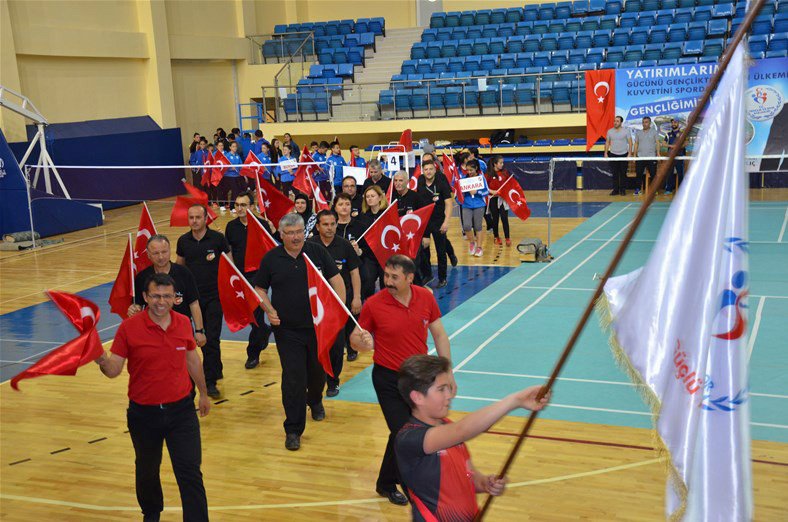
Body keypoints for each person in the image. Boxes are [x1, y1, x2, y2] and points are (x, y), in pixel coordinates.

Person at [96, 273, 211, 522]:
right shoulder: (129, 328)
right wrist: (101, 359)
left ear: (174, 298)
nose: (161, 301)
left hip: (181, 412)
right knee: (147, 470)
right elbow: (114, 370)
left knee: (190, 471)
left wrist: (203, 393)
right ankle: (151, 514)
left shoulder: (182, 323)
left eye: (167, 296)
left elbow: (192, 360)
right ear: (146, 297)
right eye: (156, 296)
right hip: (143, 415)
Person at [349, 255, 454, 506]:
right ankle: (412, 487)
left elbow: (439, 335)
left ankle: (385, 482)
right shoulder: (374, 304)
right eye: (386, 275)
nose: (388, 281)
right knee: (402, 432)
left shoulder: (426, 297)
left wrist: (446, 372)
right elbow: (355, 338)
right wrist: (360, 343)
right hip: (387, 379)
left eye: (394, 277)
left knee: (408, 431)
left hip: (418, 378)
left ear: (409, 278)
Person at [395, 355, 550, 521]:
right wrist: (515, 400)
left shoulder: (445, 425)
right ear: (417, 397)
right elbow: (463, 429)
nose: (449, 395)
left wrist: (484, 483)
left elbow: (464, 474)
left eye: (449, 387)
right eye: (441, 389)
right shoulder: (410, 439)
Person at [253, 213, 345, 451]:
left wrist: (339, 311)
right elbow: (259, 288)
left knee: (316, 372)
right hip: (287, 330)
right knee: (293, 378)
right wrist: (269, 309)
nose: (295, 237)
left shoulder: (316, 252)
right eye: (290, 233)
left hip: (318, 328)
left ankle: (315, 400)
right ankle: (293, 429)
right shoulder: (271, 258)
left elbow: (337, 280)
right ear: (281, 235)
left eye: (299, 232)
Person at [176, 205, 231, 398]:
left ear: (206, 218)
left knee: (211, 339)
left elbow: (229, 266)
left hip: (214, 297)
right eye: (191, 217)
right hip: (191, 298)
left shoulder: (217, 239)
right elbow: (179, 269)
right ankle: (189, 380)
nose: (194, 221)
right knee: (186, 340)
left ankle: (210, 381)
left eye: (198, 217)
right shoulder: (183, 241)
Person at [309, 210, 362, 396]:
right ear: (317, 226)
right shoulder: (309, 246)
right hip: (316, 306)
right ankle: (316, 380)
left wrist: (356, 297)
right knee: (315, 344)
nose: (330, 228)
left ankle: (333, 381)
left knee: (337, 346)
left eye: (333, 224)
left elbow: (355, 272)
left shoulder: (345, 245)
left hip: (339, 302)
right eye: (325, 224)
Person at [128, 234, 205, 346]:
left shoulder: (184, 273)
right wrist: (133, 309)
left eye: (164, 252)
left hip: (181, 331)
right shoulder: (142, 277)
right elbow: (138, 305)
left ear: (170, 251)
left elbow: (194, 303)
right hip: (153, 333)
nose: (160, 257)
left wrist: (199, 331)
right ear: (148, 255)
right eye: (155, 253)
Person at [225, 192, 273, 369]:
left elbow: (270, 250)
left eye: (243, 205)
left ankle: (253, 353)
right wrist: (233, 272)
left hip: (259, 276)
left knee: (256, 315)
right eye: (237, 205)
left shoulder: (262, 225)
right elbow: (229, 250)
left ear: (252, 207)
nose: (239, 208)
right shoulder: (231, 227)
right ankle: (264, 331)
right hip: (241, 276)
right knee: (254, 316)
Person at [332, 193, 366, 362]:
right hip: (333, 276)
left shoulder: (358, 226)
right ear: (335, 207)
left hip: (351, 273)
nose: (344, 207)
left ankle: (351, 346)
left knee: (351, 313)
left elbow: (366, 252)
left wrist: (359, 251)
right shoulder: (331, 227)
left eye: (347, 204)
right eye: (340, 204)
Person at [416, 160, 453, 287]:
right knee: (423, 250)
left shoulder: (441, 182)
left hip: (438, 221)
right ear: (423, 171)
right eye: (426, 169)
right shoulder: (420, 182)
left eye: (431, 169)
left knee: (440, 251)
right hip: (424, 222)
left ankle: (442, 278)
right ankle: (427, 275)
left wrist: (446, 222)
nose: (428, 171)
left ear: (435, 170)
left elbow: (448, 203)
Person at [359, 185, 389, 299]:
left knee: (386, 285)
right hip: (369, 255)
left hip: (385, 255)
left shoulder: (387, 213)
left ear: (380, 197)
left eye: (372, 196)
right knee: (367, 283)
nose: (369, 199)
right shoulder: (363, 216)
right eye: (367, 197)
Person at [459, 160, 489, 257]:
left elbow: (486, 192)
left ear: (476, 168)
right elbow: (459, 194)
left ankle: (479, 248)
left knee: (478, 227)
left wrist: (477, 192)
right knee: (466, 226)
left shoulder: (481, 179)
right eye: (467, 170)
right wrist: (461, 195)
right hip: (466, 205)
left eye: (471, 170)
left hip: (479, 205)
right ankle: (472, 242)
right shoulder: (464, 179)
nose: (469, 172)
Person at [485, 155, 512, 246]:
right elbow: (485, 187)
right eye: (500, 163)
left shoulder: (504, 172)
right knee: (495, 219)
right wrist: (492, 191)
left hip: (503, 199)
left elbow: (509, 184)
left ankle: (507, 238)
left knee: (504, 218)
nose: (502, 164)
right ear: (495, 164)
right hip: (493, 199)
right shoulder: (488, 174)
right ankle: (496, 237)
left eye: (502, 162)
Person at [604, 115, 633, 196]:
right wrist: (606, 153)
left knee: (623, 173)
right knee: (615, 173)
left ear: (621, 122)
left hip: (624, 154)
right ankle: (615, 190)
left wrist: (630, 153)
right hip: (613, 154)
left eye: (617, 121)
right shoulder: (610, 131)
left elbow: (630, 142)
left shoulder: (626, 131)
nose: (615, 122)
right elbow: (607, 142)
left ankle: (622, 190)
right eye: (614, 121)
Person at [633, 116, 660, 195]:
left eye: (646, 122)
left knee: (653, 174)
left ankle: (654, 190)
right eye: (643, 122)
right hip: (640, 157)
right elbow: (636, 144)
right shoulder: (638, 133)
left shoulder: (654, 132)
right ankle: (638, 189)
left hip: (651, 157)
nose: (644, 124)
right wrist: (634, 155)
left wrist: (658, 154)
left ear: (650, 123)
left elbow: (658, 143)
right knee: (638, 174)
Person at [664, 118, 685, 195]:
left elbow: (685, 143)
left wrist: (678, 147)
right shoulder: (668, 134)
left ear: (678, 123)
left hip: (680, 156)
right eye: (672, 122)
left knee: (680, 173)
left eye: (675, 122)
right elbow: (664, 143)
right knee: (669, 173)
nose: (673, 124)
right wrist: (673, 146)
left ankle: (681, 190)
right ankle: (669, 189)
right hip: (670, 157)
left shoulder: (683, 133)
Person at [221, 141, 244, 208]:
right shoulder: (227, 156)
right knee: (232, 190)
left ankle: (232, 205)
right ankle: (230, 206)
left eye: (236, 146)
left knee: (237, 191)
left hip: (237, 175)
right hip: (229, 176)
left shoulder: (237, 156)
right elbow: (224, 166)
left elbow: (241, 165)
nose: (235, 148)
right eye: (233, 146)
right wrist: (230, 168)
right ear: (230, 147)